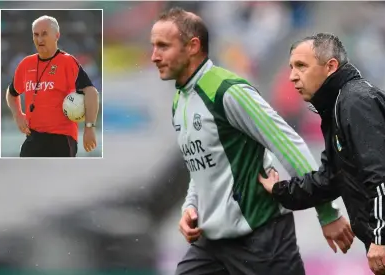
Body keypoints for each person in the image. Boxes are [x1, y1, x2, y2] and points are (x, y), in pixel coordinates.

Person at [150, 8, 355, 275]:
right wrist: (191, 206)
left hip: (261, 238)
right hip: (212, 243)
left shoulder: (227, 91)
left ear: (193, 46)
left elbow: (287, 143)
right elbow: (202, 165)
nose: (154, 56)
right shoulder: (181, 100)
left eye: (163, 46)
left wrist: (327, 211)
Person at [258, 33, 385, 275]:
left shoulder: (355, 102)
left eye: (301, 66)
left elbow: (384, 175)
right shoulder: (338, 105)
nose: (292, 76)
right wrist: (281, 190)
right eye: (291, 67)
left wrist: (380, 237)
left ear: (330, 66)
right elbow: (332, 177)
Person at [5, 15, 99, 157]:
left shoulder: (67, 62)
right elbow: (12, 93)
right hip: (33, 137)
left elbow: (91, 92)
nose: (40, 39)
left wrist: (89, 128)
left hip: (62, 138)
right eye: (36, 35)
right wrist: (18, 115)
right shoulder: (25, 64)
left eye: (44, 34)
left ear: (56, 36)